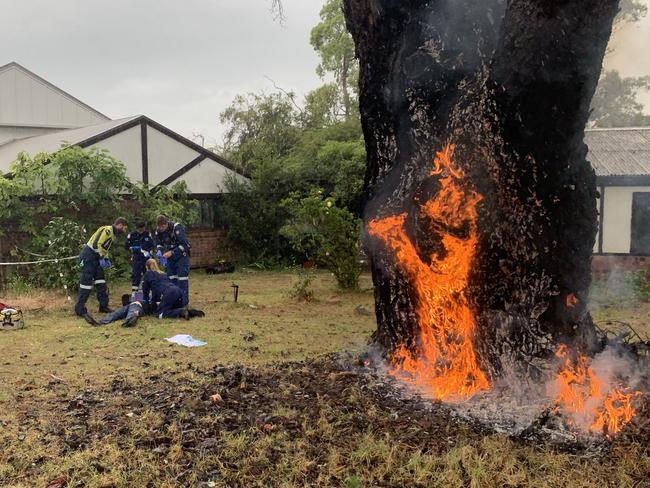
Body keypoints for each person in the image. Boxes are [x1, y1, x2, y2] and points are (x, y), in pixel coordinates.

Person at [74, 217, 128, 319]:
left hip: (97, 258)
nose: (124, 231)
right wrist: (102, 257)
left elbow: (104, 248)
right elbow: (96, 244)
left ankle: (103, 306)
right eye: (124, 228)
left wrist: (106, 258)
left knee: (101, 282)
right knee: (86, 283)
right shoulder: (107, 230)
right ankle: (79, 309)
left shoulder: (112, 235)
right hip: (89, 255)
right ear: (120, 225)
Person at [154, 215, 191, 306]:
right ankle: (174, 302)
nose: (161, 229)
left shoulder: (176, 228)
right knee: (171, 280)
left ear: (166, 224)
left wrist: (172, 252)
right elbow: (159, 243)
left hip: (181, 256)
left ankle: (183, 303)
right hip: (170, 258)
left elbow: (185, 245)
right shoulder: (158, 231)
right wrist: (159, 250)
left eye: (163, 227)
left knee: (182, 279)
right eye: (159, 227)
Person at [125, 220, 154, 296]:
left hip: (146, 258)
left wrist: (148, 252)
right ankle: (135, 295)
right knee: (136, 276)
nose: (141, 230)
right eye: (139, 229)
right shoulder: (132, 235)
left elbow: (152, 245)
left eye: (142, 228)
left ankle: (149, 295)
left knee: (148, 275)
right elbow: (126, 246)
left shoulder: (147, 234)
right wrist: (133, 248)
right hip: (136, 258)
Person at [83, 300, 152, 328]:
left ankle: (130, 319)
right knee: (118, 312)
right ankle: (100, 322)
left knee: (134, 307)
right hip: (133, 304)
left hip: (141, 306)